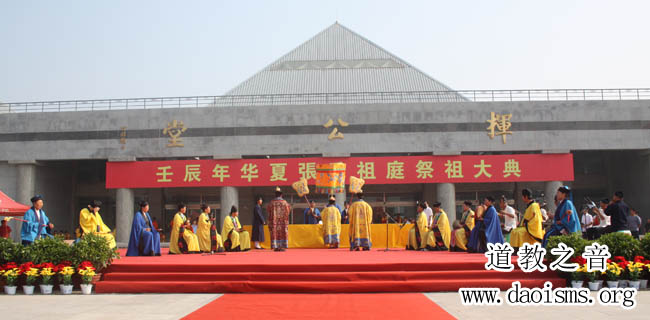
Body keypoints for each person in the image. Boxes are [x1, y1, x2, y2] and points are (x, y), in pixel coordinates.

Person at [268, 187, 291, 251]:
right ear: (281, 195)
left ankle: (275, 246)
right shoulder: (284, 202)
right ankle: (282, 246)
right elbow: (288, 210)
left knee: (275, 233)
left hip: (274, 222)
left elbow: (268, 210)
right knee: (282, 233)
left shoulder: (272, 203)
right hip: (282, 222)